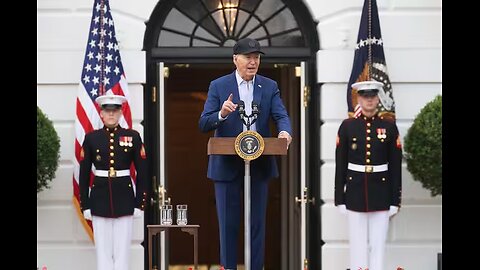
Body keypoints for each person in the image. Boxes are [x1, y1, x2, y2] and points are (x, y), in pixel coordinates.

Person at [199, 38, 292, 270]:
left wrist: (284, 132)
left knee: (257, 224)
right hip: (226, 165)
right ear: (235, 59)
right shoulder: (219, 86)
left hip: (258, 163)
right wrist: (221, 113)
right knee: (228, 224)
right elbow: (204, 123)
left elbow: (281, 115)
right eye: (248, 57)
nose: (253, 62)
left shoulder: (268, 86)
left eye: (257, 58)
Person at [334, 80, 402, 270]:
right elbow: (341, 165)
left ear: (378, 98)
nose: (369, 100)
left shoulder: (389, 127)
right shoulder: (347, 126)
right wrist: (340, 198)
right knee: (357, 245)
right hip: (354, 193)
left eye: (373, 96)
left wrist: (395, 200)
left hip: (381, 194)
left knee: (378, 245)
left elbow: (395, 166)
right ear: (359, 99)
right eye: (365, 96)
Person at [79, 92, 148, 270]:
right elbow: (84, 174)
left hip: (124, 198)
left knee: (122, 252)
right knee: (102, 251)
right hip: (99, 198)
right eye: (107, 111)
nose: (111, 114)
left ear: (120, 113)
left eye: (115, 110)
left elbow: (142, 172)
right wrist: (85, 205)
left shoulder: (132, 136)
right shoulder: (92, 138)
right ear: (101, 113)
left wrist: (140, 203)